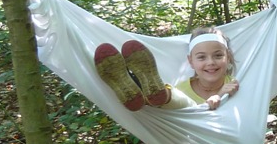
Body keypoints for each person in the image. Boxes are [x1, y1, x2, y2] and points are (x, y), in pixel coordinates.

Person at [93, 26, 240, 112]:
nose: (211, 62)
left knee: (184, 104)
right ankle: (136, 90)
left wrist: (219, 95)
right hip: (186, 140)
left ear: (228, 58)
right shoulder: (183, 88)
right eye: (201, 57)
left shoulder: (233, 84)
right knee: (165, 100)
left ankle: (149, 90)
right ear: (191, 61)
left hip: (217, 143)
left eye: (218, 56)